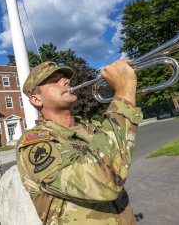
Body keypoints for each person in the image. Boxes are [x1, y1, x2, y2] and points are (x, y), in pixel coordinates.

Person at [16, 61, 143, 224]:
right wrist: (124, 91)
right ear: (36, 99)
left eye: (65, 78)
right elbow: (101, 181)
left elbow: (119, 163)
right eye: (55, 80)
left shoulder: (90, 129)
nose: (66, 81)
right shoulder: (34, 143)